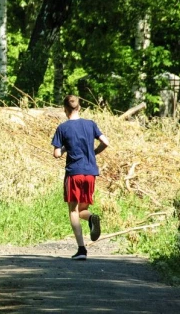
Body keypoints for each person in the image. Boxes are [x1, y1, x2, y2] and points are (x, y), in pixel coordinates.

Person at [51, 95, 109, 260]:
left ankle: (81, 250)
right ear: (80, 107)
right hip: (90, 173)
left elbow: (56, 154)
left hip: (74, 173)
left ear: (65, 109)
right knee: (82, 209)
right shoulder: (90, 124)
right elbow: (106, 142)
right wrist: (94, 152)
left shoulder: (63, 128)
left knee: (73, 210)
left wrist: (64, 148)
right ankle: (91, 218)